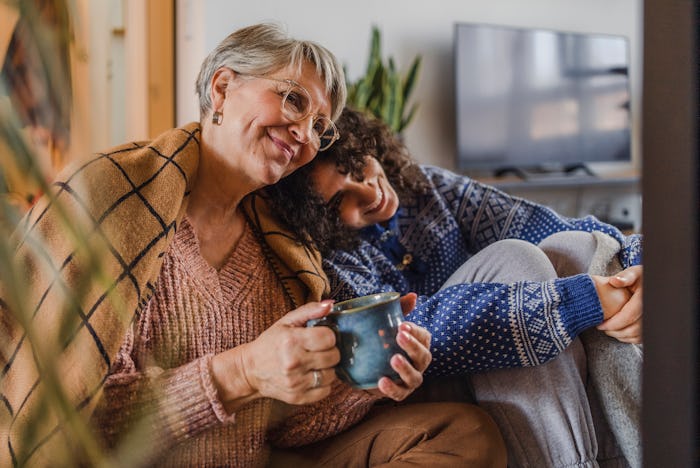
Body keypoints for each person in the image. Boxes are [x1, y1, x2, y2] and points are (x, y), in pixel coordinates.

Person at [0, 24, 507, 467]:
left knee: (463, 433)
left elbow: (286, 424)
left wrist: (366, 376)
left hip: (258, 457)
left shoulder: (280, 237)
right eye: (293, 99)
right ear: (222, 88)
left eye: (319, 128)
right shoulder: (108, 197)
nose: (305, 134)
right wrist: (239, 373)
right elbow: (71, 423)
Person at [266, 107, 644, 467]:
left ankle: (645, 451)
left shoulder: (425, 186)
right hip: (427, 379)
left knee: (575, 248)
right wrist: (578, 300)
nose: (368, 191)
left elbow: (549, 225)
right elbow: (410, 334)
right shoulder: (333, 261)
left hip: (508, 358)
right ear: (321, 222)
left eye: (354, 167)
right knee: (515, 261)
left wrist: (641, 272)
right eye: (339, 202)